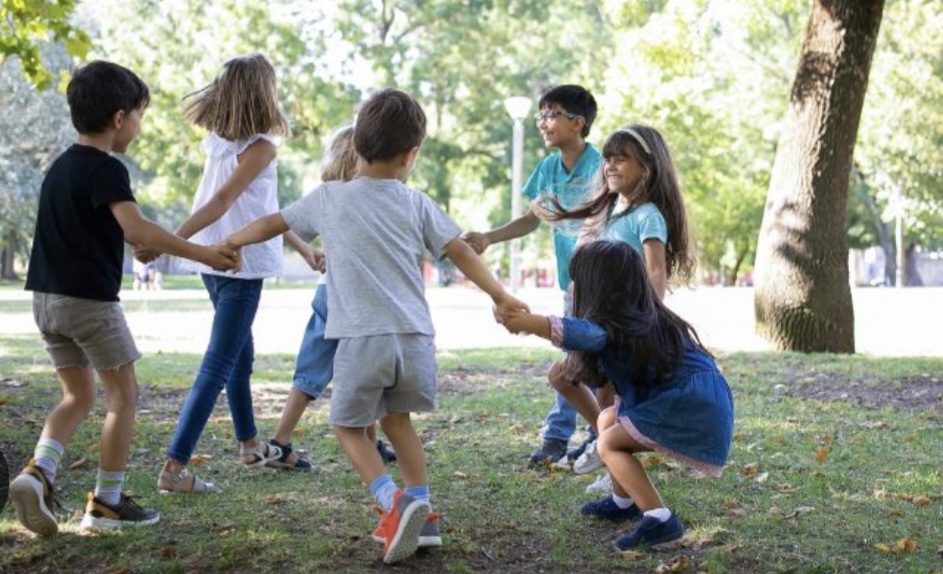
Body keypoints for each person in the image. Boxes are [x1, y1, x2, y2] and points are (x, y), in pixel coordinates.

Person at [225, 88, 528, 563]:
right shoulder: (416, 202)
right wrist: (501, 294)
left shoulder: (329, 198)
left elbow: (272, 222)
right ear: (411, 155)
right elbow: (461, 250)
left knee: (346, 426)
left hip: (362, 339)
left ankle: (394, 503)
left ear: (356, 147)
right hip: (415, 340)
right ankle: (423, 511)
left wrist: (233, 240)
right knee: (398, 422)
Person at [10, 60, 238, 536]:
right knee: (123, 397)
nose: (138, 125)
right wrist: (203, 252)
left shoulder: (59, 168)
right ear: (119, 118)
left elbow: (92, 229)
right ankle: (107, 503)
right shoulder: (108, 169)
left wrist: (131, 239)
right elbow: (135, 227)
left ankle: (39, 472)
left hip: (46, 302)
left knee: (76, 395)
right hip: (89, 305)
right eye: (138, 115)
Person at [499, 240, 733, 551]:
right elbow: (601, 385)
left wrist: (531, 324)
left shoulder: (617, 326)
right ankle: (623, 502)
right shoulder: (640, 319)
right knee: (608, 420)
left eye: (576, 281)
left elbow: (584, 333)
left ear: (599, 288)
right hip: (694, 400)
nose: (571, 288)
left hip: (687, 404)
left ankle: (660, 519)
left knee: (608, 443)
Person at [154, 53, 318, 494]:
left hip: (215, 259)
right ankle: (174, 467)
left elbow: (263, 209)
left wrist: (301, 246)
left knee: (240, 356)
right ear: (264, 92)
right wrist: (168, 240)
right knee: (220, 362)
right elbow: (222, 203)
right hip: (236, 264)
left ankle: (249, 444)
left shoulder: (219, 142)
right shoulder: (260, 146)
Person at [541, 123, 697, 481]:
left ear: (647, 167)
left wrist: (651, 318)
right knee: (563, 377)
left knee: (607, 395)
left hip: (626, 325)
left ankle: (612, 466)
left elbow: (656, 270)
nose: (610, 165)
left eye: (621, 159)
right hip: (599, 320)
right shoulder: (609, 211)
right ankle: (604, 442)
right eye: (607, 159)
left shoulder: (648, 216)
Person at [463, 84, 601, 467]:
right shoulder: (548, 169)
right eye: (540, 115)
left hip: (602, 284)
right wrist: (489, 237)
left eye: (550, 114)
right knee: (577, 359)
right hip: (570, 283)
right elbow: (530, 219)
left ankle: (563, 437)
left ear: (578, 123)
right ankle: (592, 433)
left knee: (577, 361)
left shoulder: (601, 166)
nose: (543, 122)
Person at [266, 126, 396, 471]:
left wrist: (314, 252)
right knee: (362, 367)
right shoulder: (369, 197)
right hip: (352, 298)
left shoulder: (328, 195)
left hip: (328, 292)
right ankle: (282, 442)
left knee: (315, 371)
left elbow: (284, 221)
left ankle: (283, 440)